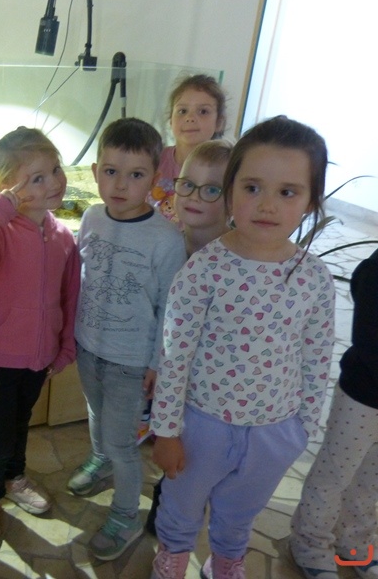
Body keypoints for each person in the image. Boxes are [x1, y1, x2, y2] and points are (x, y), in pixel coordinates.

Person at [150, 116, 336, 579]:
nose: (267, 205)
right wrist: (167, 430)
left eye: (287, 192)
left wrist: (301, 428)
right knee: (182, 503)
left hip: (275, 431)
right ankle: (173, 554)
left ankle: (227, 559)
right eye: (252, 187)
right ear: (231, 190)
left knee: (240, 511)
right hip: (201, 425)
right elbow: (174, 355)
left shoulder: (314, 277)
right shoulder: (204, 270)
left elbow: (317, 356)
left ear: (311, 201)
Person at [71, 118, 187, 561]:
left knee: (123, 442)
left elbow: (170, 309)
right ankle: (100, 460)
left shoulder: (166, 238)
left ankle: (125, 515)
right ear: (96, 171)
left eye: (135, 174)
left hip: (131, 360)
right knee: (96, 414)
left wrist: (158, 363)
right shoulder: (90, 217)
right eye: (111, 171)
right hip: (88, 346)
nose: (120, 185)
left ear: (155, 178)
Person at [0, 127, 81, 546]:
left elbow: (70, 295)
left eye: (55, 170)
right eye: (37, 178)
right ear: (9, 188)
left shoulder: (63, 236)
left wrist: (65, 347)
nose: (54, 183)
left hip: (40, 354)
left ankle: (15, 477)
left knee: (21, 423)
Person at [144, 138, 234, 536]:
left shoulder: (232, 263)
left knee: (194, 460)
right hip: (165, 377)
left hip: (208, 392)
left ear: (232, 200)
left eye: (211, 189)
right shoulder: (167, 245)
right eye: (187, 184)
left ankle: (178, 512)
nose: (194, 196)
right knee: (168, 448)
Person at [289, 247, 378, 579]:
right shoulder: (374, 270)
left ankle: (355, 543)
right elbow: (368, 340)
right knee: (335, 475)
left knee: (371, 480)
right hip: (362, 397)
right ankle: (310, 543)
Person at [148, 74, 227, 221]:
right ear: (171, 120)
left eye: (203, 111)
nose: (190, 118)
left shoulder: (225, 169)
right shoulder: (154, 159)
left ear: (219, 122)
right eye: (182, 111)